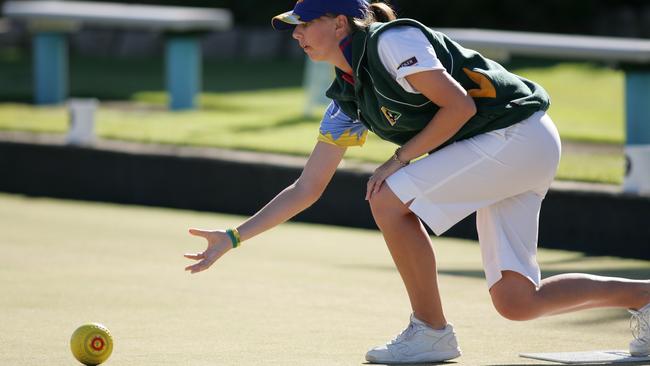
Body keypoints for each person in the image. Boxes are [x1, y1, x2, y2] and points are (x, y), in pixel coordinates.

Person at [184, 0, 650, 363]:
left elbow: (460, 107)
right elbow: (308, 188)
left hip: (516, 135)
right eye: (294, 25)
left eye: (306, 22)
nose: (297, 32)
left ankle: (430, 331)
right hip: (507, 148)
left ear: (341, 23)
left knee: (387, 197)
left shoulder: (394, 41)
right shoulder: (347, 96)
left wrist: (399, 159)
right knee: (518, 301)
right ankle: (645, 297)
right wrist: (233, 237)